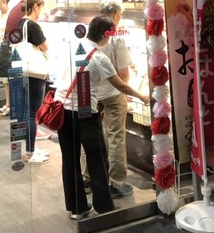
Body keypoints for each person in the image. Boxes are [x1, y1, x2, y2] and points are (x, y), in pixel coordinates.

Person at [54, 15, 150, 220]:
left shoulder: (73, 46)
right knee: (97, 158)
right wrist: (143, 97)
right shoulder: (99, 58)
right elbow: (121, 85)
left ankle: (77, 208)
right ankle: (104, 208)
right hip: (84, 114)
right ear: (106, 34)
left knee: (70, 161)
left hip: (62, 109)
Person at [95, 0, 134, 198]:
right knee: (116, 137)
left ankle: (88, 178)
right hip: (113, 93)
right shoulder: (117, 37)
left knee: (92, 136)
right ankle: (117, 182)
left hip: (93, 93)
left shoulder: (92, 32)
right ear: (117, 14)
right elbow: (123, 74)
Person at [17, 0, 49, 165]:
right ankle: (30, 152)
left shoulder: (21, 23)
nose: (40, 12)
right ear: (35, 6)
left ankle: (29, 149)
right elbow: (45, 46)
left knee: (26, 112)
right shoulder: (33, 25)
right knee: (32, 113)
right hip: (35, 74)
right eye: (40, 7)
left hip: (23, 71)